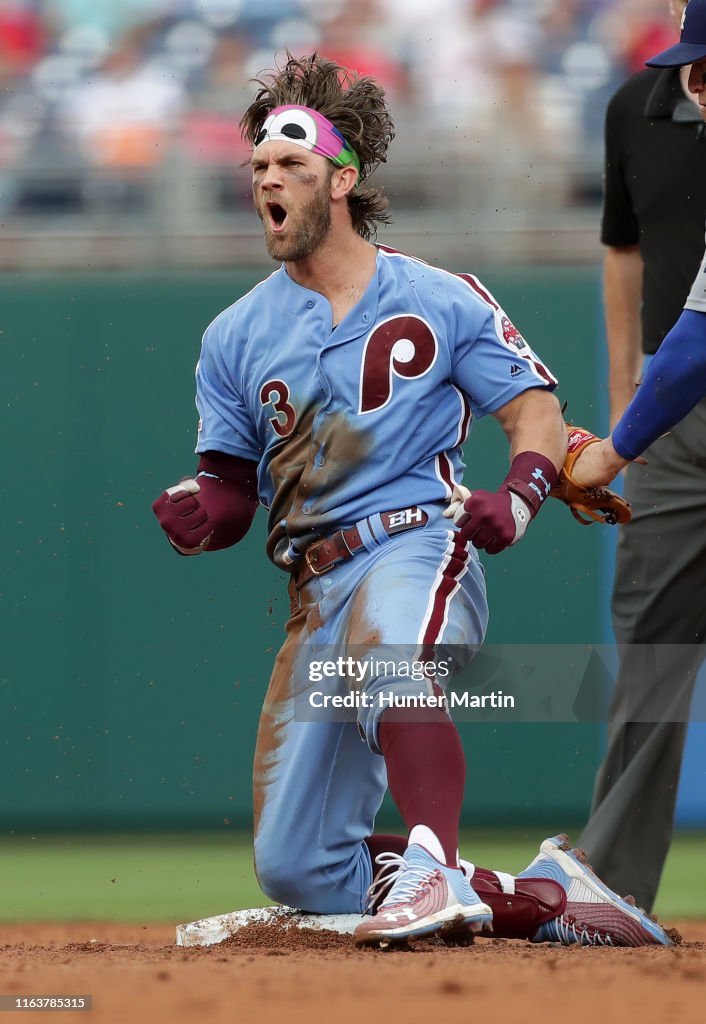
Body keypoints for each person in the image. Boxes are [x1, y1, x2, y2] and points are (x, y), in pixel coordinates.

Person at [152, 53, 671, 949]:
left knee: (391, 656)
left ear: (344, 179)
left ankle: (430, 868)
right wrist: (205, 514)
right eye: (260, 170)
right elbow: (233, 489)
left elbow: (533, 409)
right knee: (300, 865)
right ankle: (544, 896)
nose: (268, 182)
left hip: (414, 540)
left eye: (292, 166)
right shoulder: (233, 334)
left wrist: (521, 492)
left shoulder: (438, 296)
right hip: (314, 588)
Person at [574, 0, 706, 915]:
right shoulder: (640, 106)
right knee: (651, 656)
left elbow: (699, 341)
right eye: (694, 63)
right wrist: (629, 410)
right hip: (673, 424)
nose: (698, 82)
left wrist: (615, 448)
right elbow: (625, 253)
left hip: (664, 403)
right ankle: (610, 893)